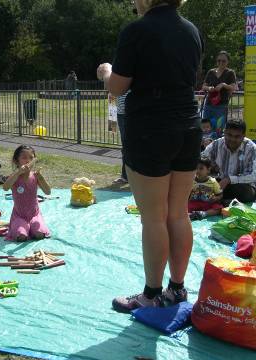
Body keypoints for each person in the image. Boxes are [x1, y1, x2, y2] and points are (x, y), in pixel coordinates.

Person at [97, 0, 203, 312]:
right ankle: (177, 288)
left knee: (153, 217)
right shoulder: (191, 30)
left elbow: (117, 86)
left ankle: (151, 294)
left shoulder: (137, 30)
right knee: (178, 213)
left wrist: (105, 72)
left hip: (151, 128)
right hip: (188, 126)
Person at [3, 145, 51, 241]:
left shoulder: (35, 176)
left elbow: (48, 192)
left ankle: (32, 227)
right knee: (21, 236)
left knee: (39, 235)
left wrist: (41, 178)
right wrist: (17, 173)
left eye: (31, 158)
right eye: (24, 158)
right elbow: (5, 187)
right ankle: (22, 228)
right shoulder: (14, 177)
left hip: (34, 214)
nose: (28, 161)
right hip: (19, 215)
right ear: (17, 161)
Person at [202, 120, 256, 205]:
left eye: (237, 136)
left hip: (241, 186)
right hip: (219, 183)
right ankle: (225, 201)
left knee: (246, 192)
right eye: (229, 135)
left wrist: (229, 179)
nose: (232, 139)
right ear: (224, 132)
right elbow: (201, 160)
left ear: (244, 136)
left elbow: (253, 176)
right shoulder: (216, 145)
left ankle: (220, 201)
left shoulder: (251, 148)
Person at [201, 51, 237, 137]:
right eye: (219, 60)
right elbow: (204, 86)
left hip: (221, 106)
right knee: (205, 129)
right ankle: (206, 149)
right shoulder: (211, 72)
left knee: (218, 130)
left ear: (228, 61)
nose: (221, 62)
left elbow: (233, 87)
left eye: (223, 61)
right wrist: (209, 88)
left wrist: (223, 85)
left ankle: (217, 148)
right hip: (209, 105)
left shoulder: (230, 72)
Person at [113, 91, 130, 184]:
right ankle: (125, 176)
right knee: (126, 147)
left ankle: (140, 176)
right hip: (121, 114)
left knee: (133, 146)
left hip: (133, 113)